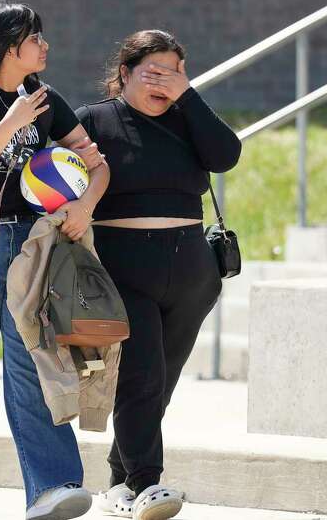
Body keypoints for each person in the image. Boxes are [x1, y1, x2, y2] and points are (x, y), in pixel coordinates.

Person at [0, 0, 110, 520]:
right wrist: (10, 123)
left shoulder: (46, 99)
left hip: (30, 245)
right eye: (36, 38)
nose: (45, 46)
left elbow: (96, 165)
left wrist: (85, 204)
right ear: (10, 46)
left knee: (35, 362)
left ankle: (51, 487)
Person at [78, 30, 241, 520]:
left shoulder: (188, 118)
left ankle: (118, 480)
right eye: (152, 72)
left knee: (161, 382)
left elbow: (226, 155)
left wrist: (187, 96)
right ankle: (148, 483)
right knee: (142, 376)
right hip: (123, 265)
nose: (162, 82)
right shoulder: (94, 120)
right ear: (124, 74)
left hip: (191, 267)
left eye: (173, 72)